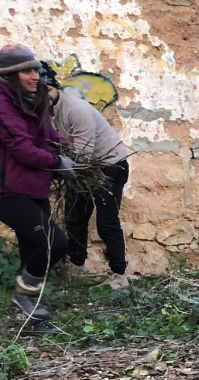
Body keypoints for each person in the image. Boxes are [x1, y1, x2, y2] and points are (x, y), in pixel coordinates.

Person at [0, 45, 73, 324]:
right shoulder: (3, 104)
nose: (35, 76)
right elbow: (21, 148)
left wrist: (71, 154)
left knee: (32, 249)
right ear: (9, 76)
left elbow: (48, 135)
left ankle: (29, 321)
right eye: (27, 71)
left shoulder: (31, 99)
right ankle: (25, 294)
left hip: (33, 184)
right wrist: (57, 163)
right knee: (54, 242)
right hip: (8, 190)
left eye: (36, 70)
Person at [43, 63, 130, 290]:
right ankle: (77, 267)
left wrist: (53, 168)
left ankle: (119, 275)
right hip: (81, 168)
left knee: (106, 222)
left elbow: (83, 155)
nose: (43, 96)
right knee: (74, 218)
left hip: (109, 166)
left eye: (47, 90)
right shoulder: (44, 111)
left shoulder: (76, 110)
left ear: (55, 88)